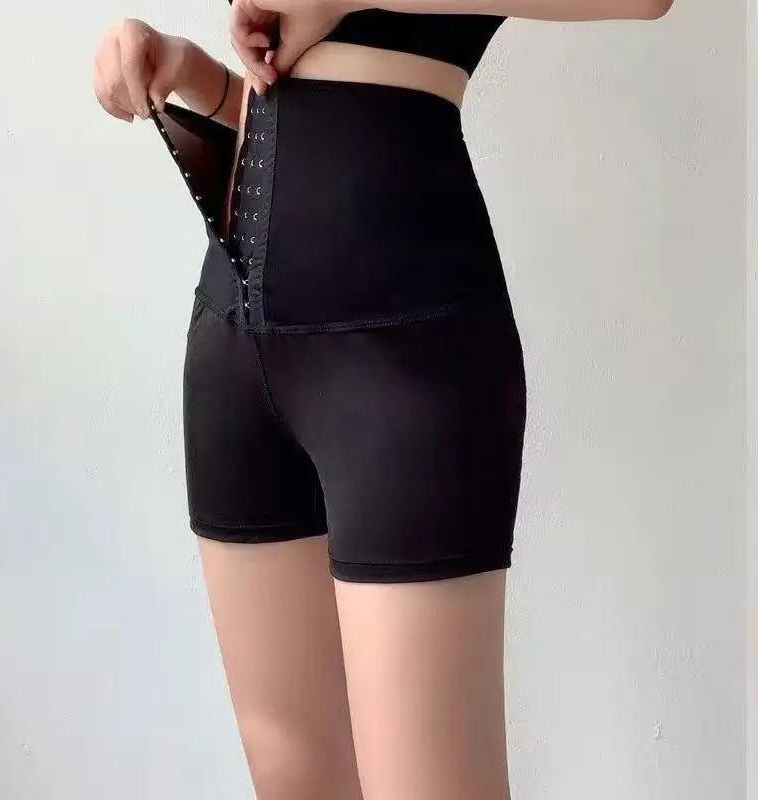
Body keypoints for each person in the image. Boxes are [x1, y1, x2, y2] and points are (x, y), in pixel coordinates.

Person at [92, 1, 674, 798]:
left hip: (400, 351)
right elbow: (290, 102)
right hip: (232, 345)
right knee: (294, 777)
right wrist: (187, 71)